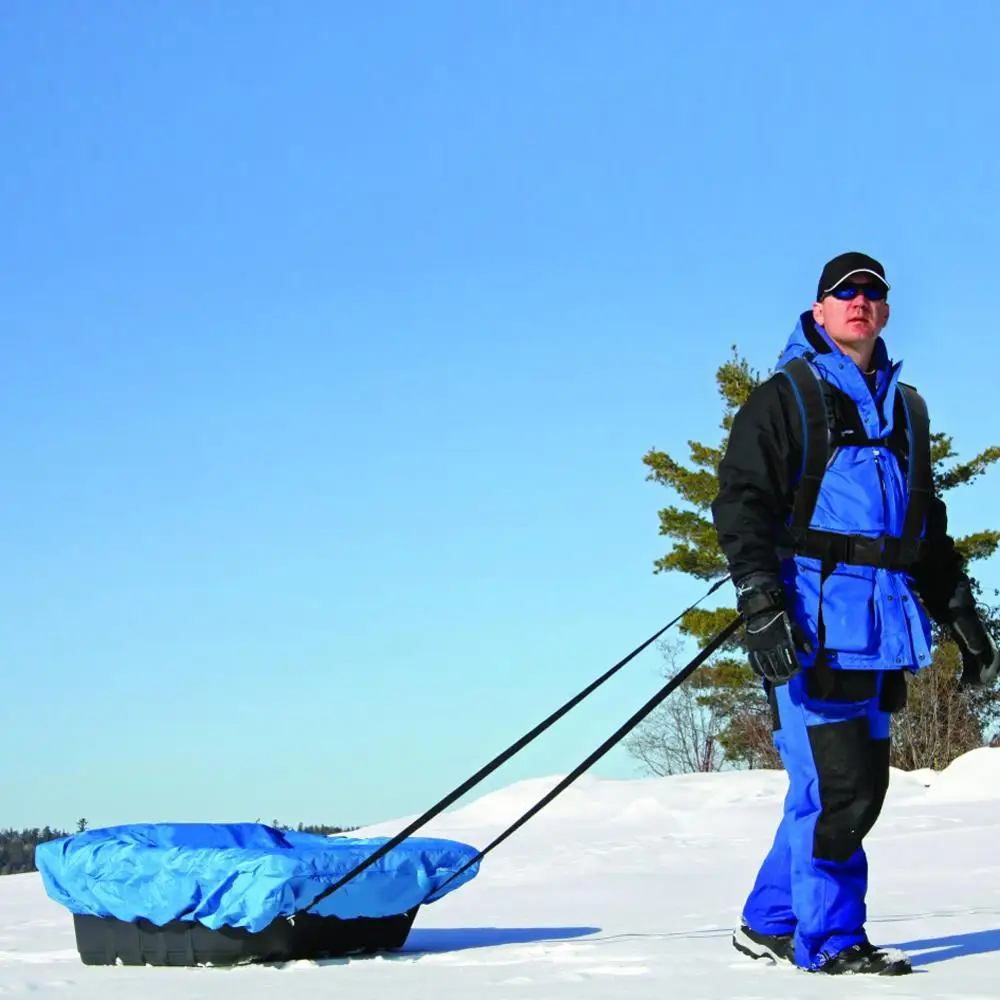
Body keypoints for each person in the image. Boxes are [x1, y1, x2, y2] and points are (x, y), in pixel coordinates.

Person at [710, 251, 999, 976]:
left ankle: (769, 919)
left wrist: (963, 620)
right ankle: (832, 940)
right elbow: (741, 504)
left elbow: (921, 526)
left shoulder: (908, 410)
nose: (858, 303)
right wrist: (760, 604)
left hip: (881, 629)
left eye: (871, 293)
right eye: (844, 294)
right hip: (810, 627)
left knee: (836, 789)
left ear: (886, 311)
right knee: (844, 791)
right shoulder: (785, 397)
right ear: (818, 311)